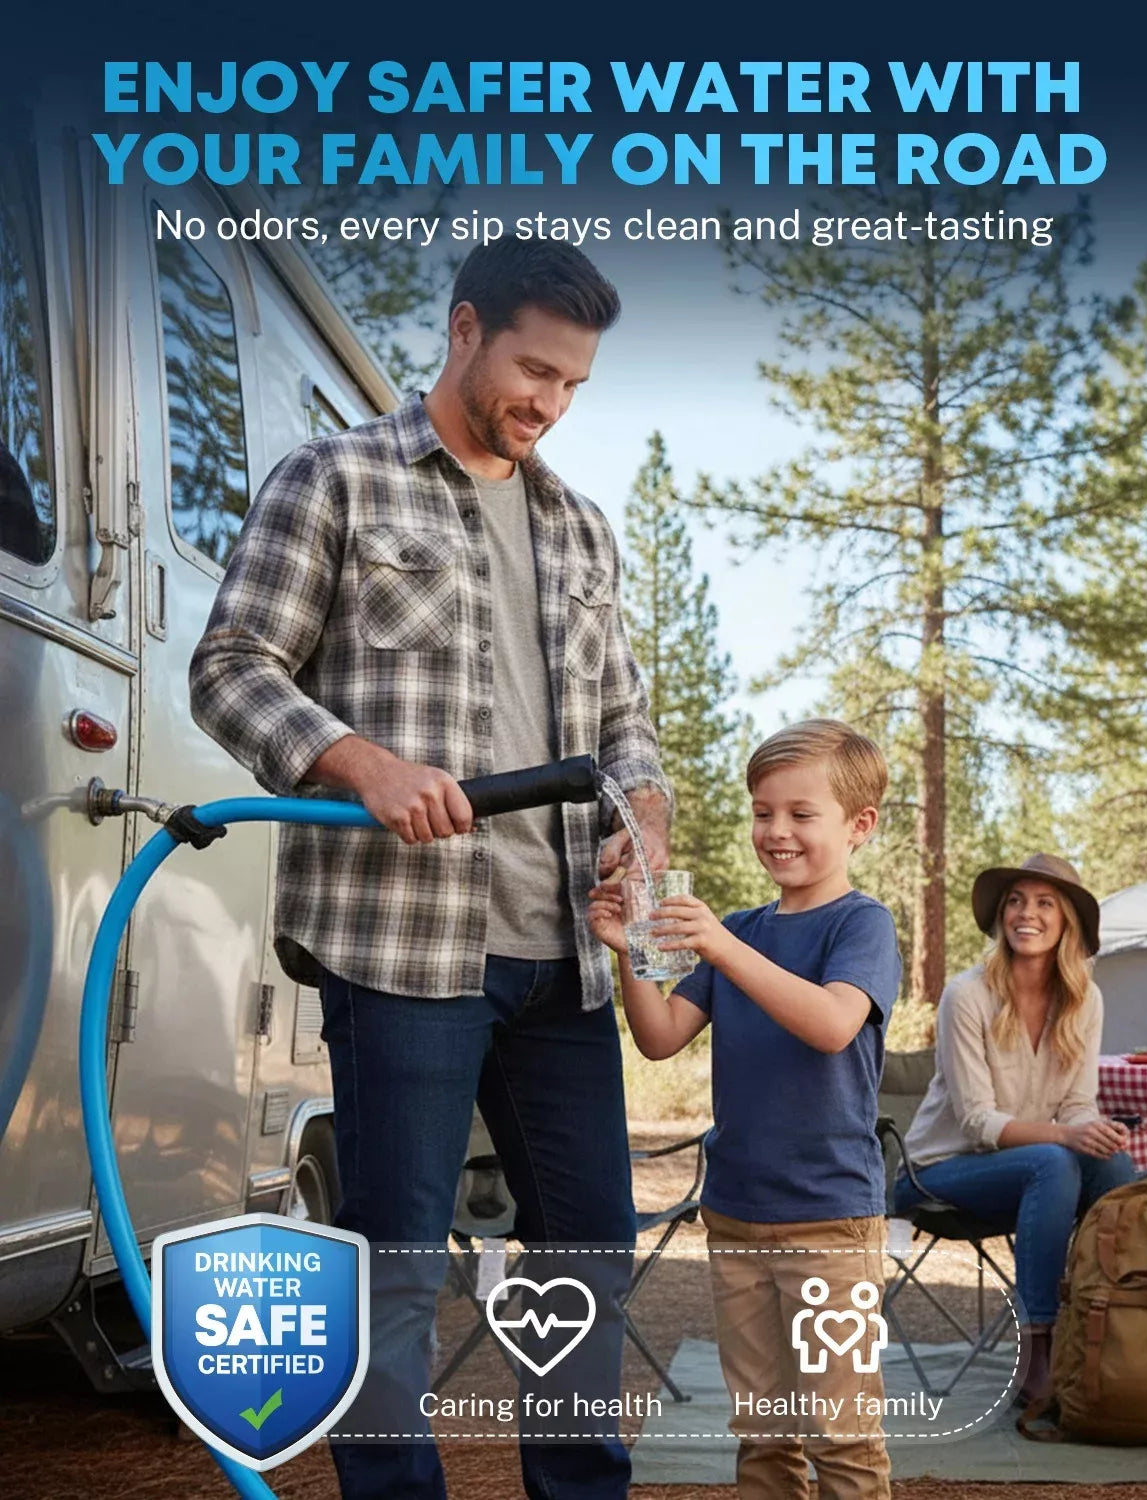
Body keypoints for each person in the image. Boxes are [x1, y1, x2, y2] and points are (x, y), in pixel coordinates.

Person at [189, 237, 672, 1500]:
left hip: (563, 953)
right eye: (532, 369)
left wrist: (648, 811)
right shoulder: (336, 478)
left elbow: (624, 723)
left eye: (572, 385)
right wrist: (362, 764)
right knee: (397, 1256)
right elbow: (231, 666)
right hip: (403, 946)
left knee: (588, 1248)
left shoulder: (579, 525)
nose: (548, 403)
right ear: (462, 331)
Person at [590, 719, 901, 1500]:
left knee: (842, 1435)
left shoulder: (859, 924)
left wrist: (723, 950)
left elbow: (832, 1025)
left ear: (859, 825)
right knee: (763, 1433)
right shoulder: (742, 932)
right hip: (736, 1214)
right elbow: (660, 1038)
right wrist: (631, 955)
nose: (777, 830)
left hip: (830, 1220)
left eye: (802, 813)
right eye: (764, 812)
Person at [895, 853, 1137, 1407]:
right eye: (1016, 901)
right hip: (935, 1174)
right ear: (1002, 916)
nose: (1027, 913)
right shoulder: (968, 995)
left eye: (1044, 902)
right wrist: (1066, 1138)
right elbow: (978, 1123)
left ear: (1067, 921)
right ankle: (1038, 1354)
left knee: (1115, 1166)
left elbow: (1077, 1103)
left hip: (1024, 1178)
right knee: (1053, 1161)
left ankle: (1114, 1330)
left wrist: (1091, 1130)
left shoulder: (1085, 1000)